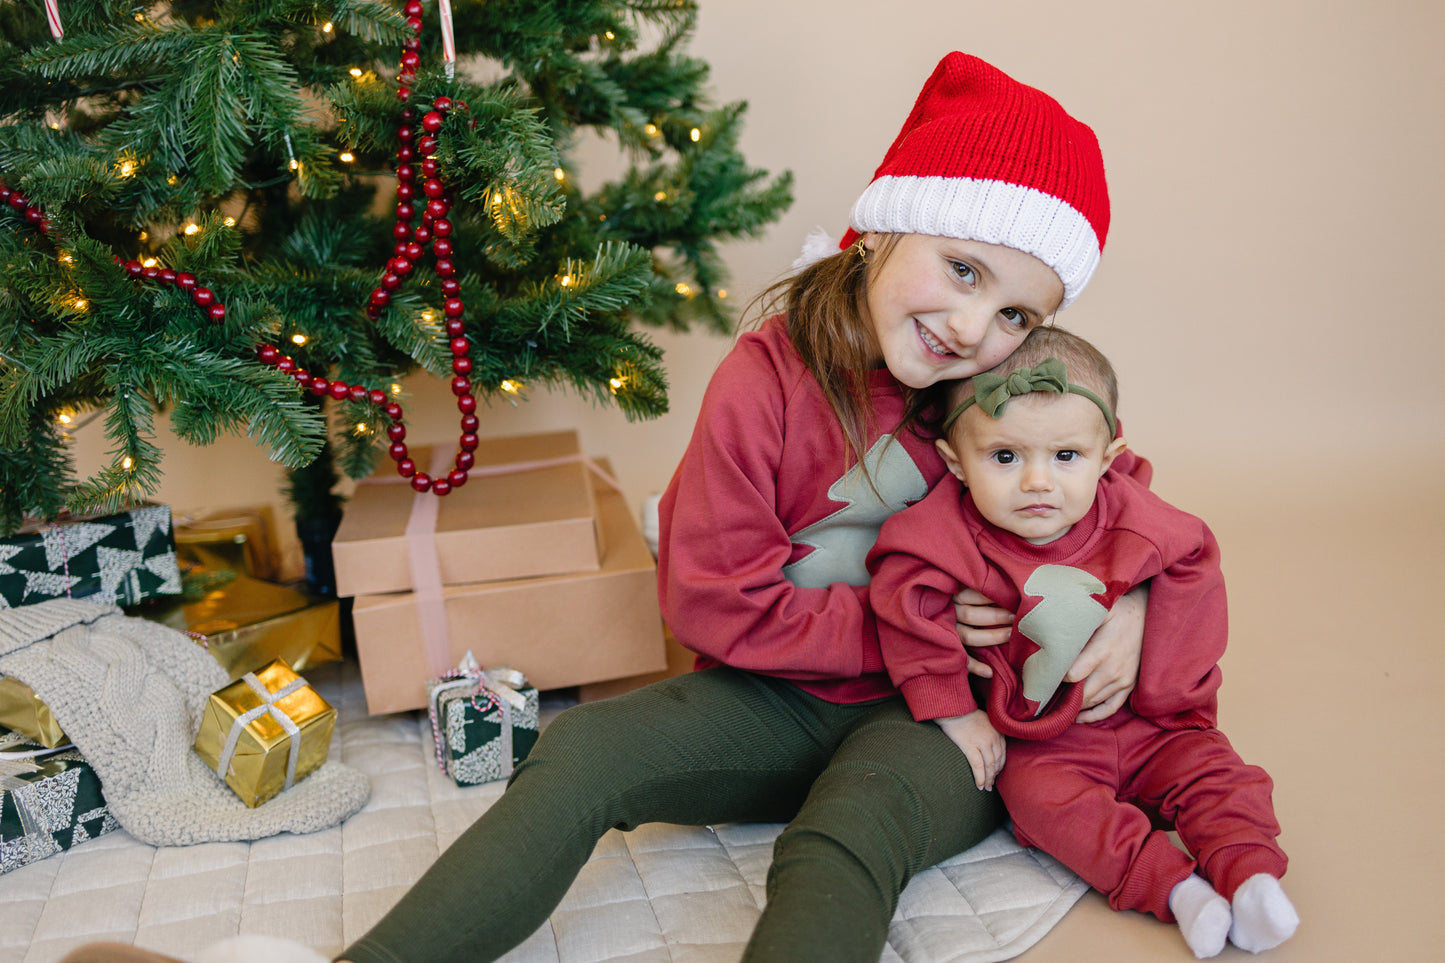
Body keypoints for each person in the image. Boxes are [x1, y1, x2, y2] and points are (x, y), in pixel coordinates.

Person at [59, 51, 1147, 963]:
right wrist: (906, 627)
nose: (973, 328)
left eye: (1016, 313)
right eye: (960, 271)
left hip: (954, 718)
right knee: (579, 752)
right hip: (787, 694)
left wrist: (1132, 607)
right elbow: (713, 601)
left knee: (841, 835)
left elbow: (1115, 481)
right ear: (884, 232)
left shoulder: (988, 381)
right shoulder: (767, 381)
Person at [867, 326, 1299, 958]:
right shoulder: (942, 534)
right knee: (1042, 805)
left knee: (1217, 776)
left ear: (1107, 456)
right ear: (957, 462)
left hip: (1155, 725)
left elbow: (1195, 562)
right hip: (1049, 743)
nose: (1037, 482)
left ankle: (1250, 874)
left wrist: (1168, 691)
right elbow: (906, 602)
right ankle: (1175, 889)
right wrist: (955, 711)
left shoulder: (1134, 515)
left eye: (1066, 456)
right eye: (1005, 457)